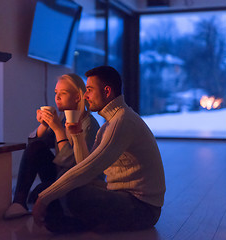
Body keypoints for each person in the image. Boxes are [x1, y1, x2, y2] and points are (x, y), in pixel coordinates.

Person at [32, 66, 166, 233]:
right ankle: (87, 224)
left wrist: (44, 198)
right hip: (120, 193)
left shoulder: (122, 122)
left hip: (143, 208)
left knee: (73, 195)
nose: (85, 96)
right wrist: (77, 134)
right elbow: (85, 165)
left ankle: (83, 225)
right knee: (66, 187)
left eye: (89, 90)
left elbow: (89, 170)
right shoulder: (111, 123)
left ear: (107, 91)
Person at [4, 73, 100, 219]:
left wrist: (58, 130)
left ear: (77, 97)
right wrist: (43, 125)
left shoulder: (89, 125)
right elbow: (32, 149)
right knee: (37, 147)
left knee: (38, 193)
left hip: (79, 183)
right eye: (56, 93)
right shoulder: (62, 120)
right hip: (60, 175)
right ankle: (19, 203)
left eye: (63, 93)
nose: (57, 97)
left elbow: (73, 166)